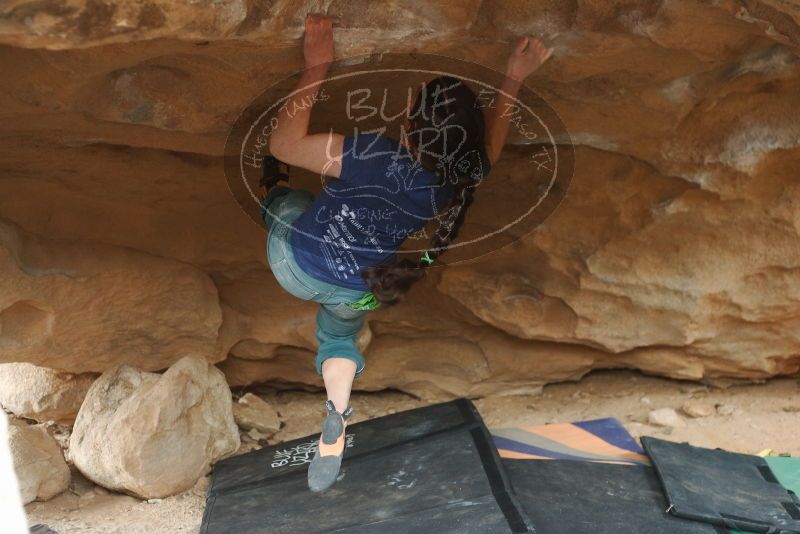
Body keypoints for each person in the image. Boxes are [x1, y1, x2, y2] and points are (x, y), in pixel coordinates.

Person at [259, 14, 552, 492]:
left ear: (409, 125)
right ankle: (336, 410)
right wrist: (514, 79)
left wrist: (318, 65)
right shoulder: (451, 183)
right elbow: (489, 152)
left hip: (294, 265)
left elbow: (285, 144)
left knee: (288, 204)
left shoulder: (371, 155)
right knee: (337, 341)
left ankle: (273, 192)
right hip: (359, 290)